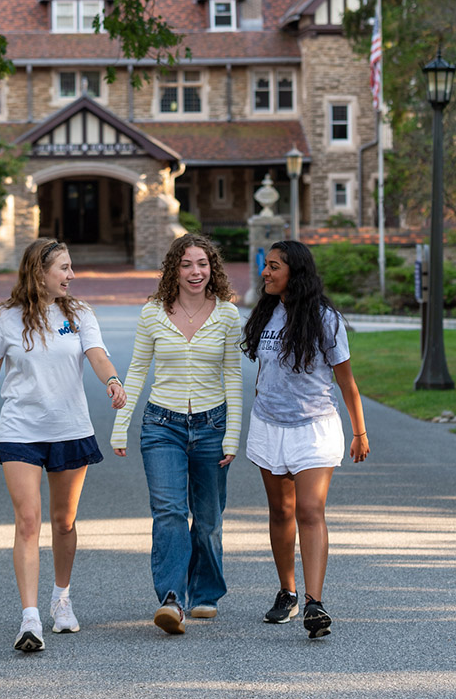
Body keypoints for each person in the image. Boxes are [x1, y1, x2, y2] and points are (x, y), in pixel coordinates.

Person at [0, 237, 126, 653]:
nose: (71, 275)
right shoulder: (5, 318)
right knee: (28, 521)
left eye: (70, 267)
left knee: (63, 521)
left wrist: (112, 380)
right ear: (39, 271)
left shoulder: (80, 313)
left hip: (70, 428)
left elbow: (97, 355)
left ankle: (60, 599)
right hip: (20, 430)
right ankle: (30, 619)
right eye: (63, 268)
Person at [111, 234, 242, 635]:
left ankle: (204, 592)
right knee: (168, 512)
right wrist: (121, 424)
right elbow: (136, 370)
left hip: (212, 425)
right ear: (174, 269)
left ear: (212, 268)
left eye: (202, 264)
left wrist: (232, 433)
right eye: (186, 264)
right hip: (161, 426)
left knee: (207, 518)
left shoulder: (227, 316)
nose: (195, 272)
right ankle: (172, 599)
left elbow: (233, 376)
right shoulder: (152, 313)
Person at [241, 239, 370, 639]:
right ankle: (288, 592)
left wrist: (359, 431)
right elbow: (264, 373)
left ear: (294, 272)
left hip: (314, 427)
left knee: (310, 510)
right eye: (266, 266)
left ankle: (315, 602)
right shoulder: (265, 314)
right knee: (280, 512)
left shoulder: (325, 319)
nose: (266, 272)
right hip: (268, 426)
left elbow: (346, 382)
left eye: (274, 266)